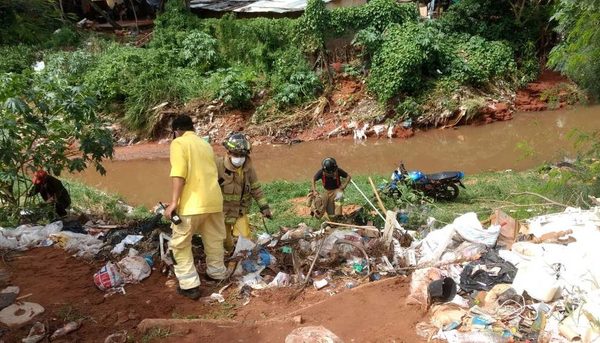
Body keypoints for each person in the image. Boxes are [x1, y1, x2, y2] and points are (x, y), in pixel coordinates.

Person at [163, 114, 228, 300]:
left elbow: (178, 174)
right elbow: (216, 171)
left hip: (192, 204)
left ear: (176, 131)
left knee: (179, 245)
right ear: (192, 128)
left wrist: (174, 203)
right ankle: (217, 273)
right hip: (214, 201)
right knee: (214, 239)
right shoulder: (205, 144)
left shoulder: (178, 144)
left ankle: (189, 285)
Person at [216, 133, 272, 252]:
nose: (239, 158)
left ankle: (243, 258)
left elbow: (255, 188)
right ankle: (230, 253)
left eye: (242, 155)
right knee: (225, 242)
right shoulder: (218, 166)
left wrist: (264, 207)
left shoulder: (248, 168)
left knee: (244, 239)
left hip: (240, 211)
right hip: (223, 213)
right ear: (228, 153)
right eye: (236, 154)